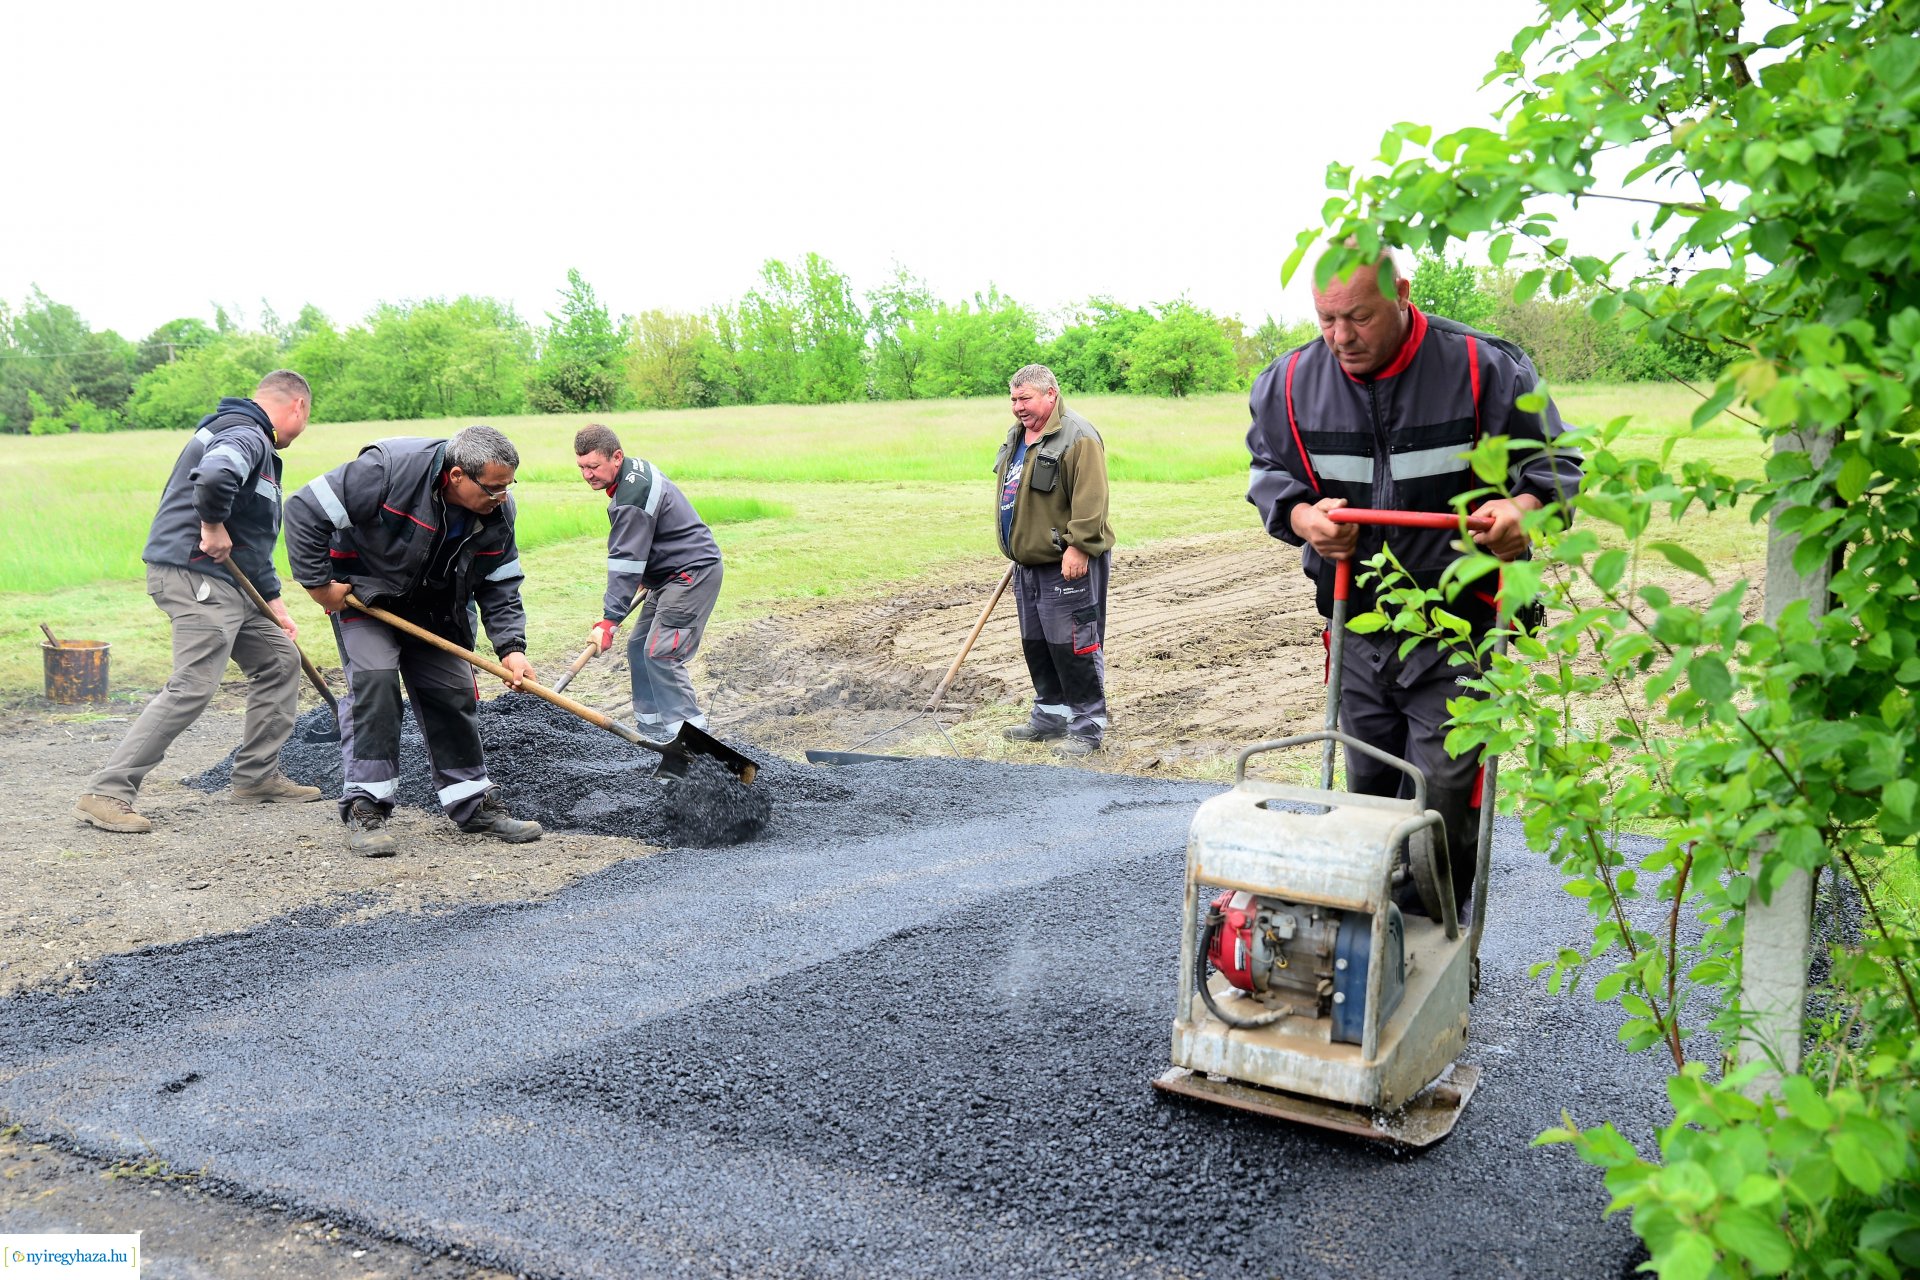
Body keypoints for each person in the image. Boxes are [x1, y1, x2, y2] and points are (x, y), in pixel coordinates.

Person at [1247, 249, 1582, 911]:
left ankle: (1438, 946)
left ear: (1402, 292)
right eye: (1326, 320)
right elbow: (1270, 476)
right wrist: (1305, 516)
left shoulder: (1486, 369)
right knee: (1365, 790)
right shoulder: (1287, 384)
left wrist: (1522, 512)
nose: (1341, 337)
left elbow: (1555, 468)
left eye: (1359, 318)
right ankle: (1365, 941)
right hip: (1357, 624)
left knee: (1440, 800)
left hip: (1463, 626)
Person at [73, 370, 322, 833]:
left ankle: (255, 777)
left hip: (234, 583)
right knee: (194, 684)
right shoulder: (245, 434)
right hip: (195, 576)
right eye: (306, 418)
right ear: (297, 408)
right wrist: (210, 527)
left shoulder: (253, 442)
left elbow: (251, 539)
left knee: (280, 659)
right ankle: (107, 791)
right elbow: (214, 476)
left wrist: (276, 604)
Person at [284, 425, 542, 856]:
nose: (502, 497)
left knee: (452, 692)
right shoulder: (388, 471)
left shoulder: (497, 512)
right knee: (376, 683)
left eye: (507, 487)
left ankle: (471, 802)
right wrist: (319, 586)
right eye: (494, 488)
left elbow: (500, 583)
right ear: (457, 475)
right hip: (368, 599)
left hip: (438, 609)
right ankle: (367, 807)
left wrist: (512, 648)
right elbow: (304, 510)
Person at [573, 425, 724, 745]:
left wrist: (609, 621)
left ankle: (695, 745)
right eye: (582, 467)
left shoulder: (631, 496)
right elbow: (650, 534)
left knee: (661, 653)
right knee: (639, 648)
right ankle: (652, 733)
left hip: (691, 574)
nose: (587, 474)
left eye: (593, 466)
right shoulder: (633, 470)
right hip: (667, 576)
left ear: (617, 457)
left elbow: (625, 562)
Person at [994, 363, 1115, 757]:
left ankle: (1088, 724)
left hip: (1067, 561)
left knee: (1073, 644)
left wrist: (1079, 546)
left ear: (1051, 394)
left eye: (1025, 398)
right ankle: (1051, 715)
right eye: (1013, 399)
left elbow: (1091, 497)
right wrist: (1018, 546)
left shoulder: (1077, 436)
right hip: (1027, 564)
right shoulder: (1018, 436)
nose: (1017, 407)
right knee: (1038, 643)